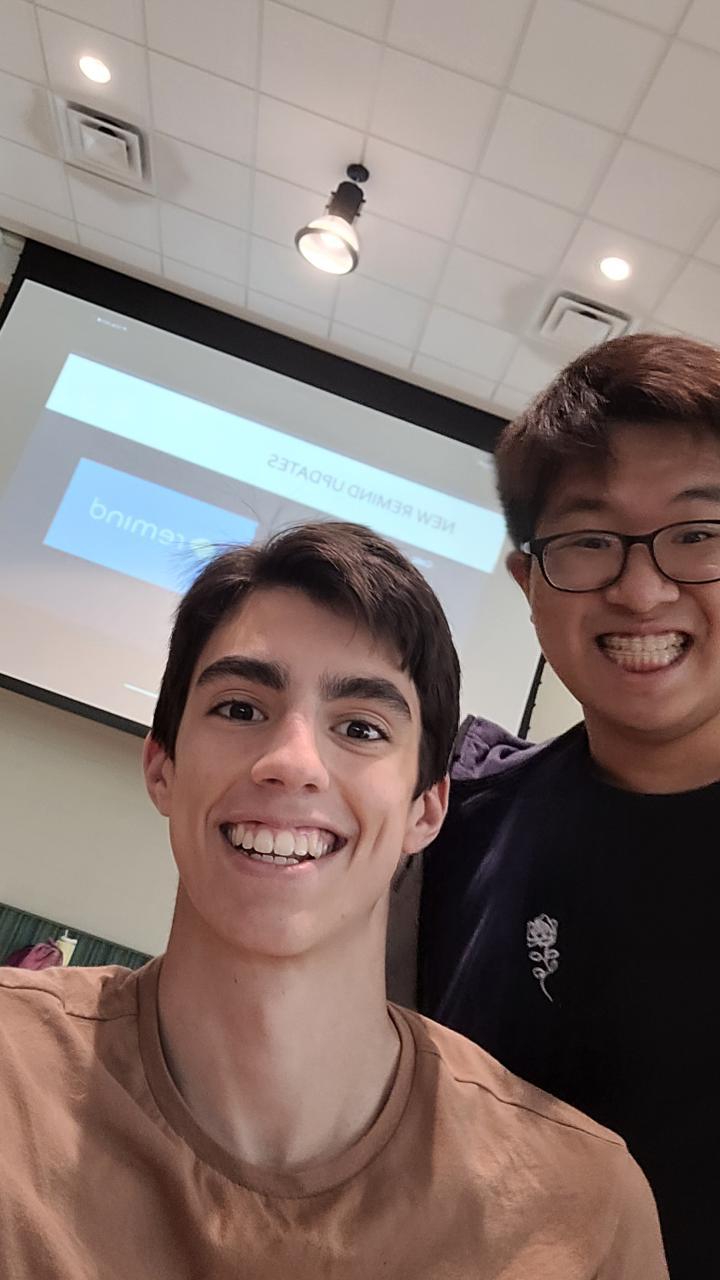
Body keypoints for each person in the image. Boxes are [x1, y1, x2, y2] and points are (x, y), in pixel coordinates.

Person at [0, 521, 665, 1278]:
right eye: (240, 710)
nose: (292, 762)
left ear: (427, 809)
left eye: (360, 727)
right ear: (162, 768)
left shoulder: (577, 1210)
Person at [408, 334, 720, 1279]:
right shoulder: (455, 825)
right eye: (589, 540)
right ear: (529, 584)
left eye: (699, 534)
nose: (642, 590)